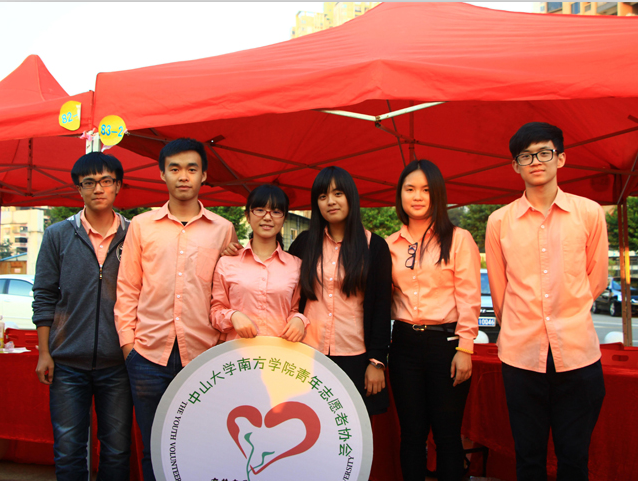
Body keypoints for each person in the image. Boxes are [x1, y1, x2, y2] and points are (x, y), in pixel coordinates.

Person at [485, 122, 608, 481]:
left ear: (561, 158)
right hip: (521, 357)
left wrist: (568, 312)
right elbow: (499, 291)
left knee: (574, 459)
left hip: (578, 354)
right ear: (515, 166)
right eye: (526, 156)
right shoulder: (499, 222)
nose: (536, 161)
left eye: (544, 152)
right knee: (528, 459)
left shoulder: (589, 213)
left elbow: (597, 279)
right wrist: (522, 325)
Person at [115, 138, 237, 481]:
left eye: (192, 169)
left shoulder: (223, 230)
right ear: (162, 174)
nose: (184, 176)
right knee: (153, 448)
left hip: (203, 356)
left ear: (204, 175)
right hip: (147, 356)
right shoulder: (141, 226)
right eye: (175, 169)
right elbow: (128, 288)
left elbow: (227, 292)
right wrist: (128, 346)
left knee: (201, 447)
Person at [33, 152, 133, 480]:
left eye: (106, 181)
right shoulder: (57, 235)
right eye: (88, 183)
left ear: (118, 185)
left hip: (119, 363)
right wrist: (45, 352)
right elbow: (44, 295)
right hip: (67, 364)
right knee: (68, 449)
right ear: (79, 189)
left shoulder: (135, 235)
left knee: (117, 449)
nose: (98, 189)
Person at [387, 159, 480, 481]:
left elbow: (469, 297)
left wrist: (465, 348)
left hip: (446, 345)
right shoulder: (388, 245)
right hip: (404, 345)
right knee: (411, 435)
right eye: (410, 189)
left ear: (437, 194)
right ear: (400, 194)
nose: (417, 196)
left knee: (447, 435)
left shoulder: (459, 239)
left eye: (426, 190)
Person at [289, 166, 393, 416]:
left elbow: (382, 306)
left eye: (338, 193)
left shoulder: (375, 246)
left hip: (355, 355)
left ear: (351, 197)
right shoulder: (304, 243)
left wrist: (377, 361)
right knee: (306, 424)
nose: (330, 201)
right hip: (308, 354)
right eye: (322, 196)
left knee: (351, 427)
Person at [211, 184, 308, 342]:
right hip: (237, 353)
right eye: (260, 210)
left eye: (276, 212)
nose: (268, 217)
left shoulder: (296, 265)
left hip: (281, 352)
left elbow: (294, 309)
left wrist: (299, 320)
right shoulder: (227, 263)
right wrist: (232, 316)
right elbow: (215, 311)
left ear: (284, 218)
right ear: (248, 216)